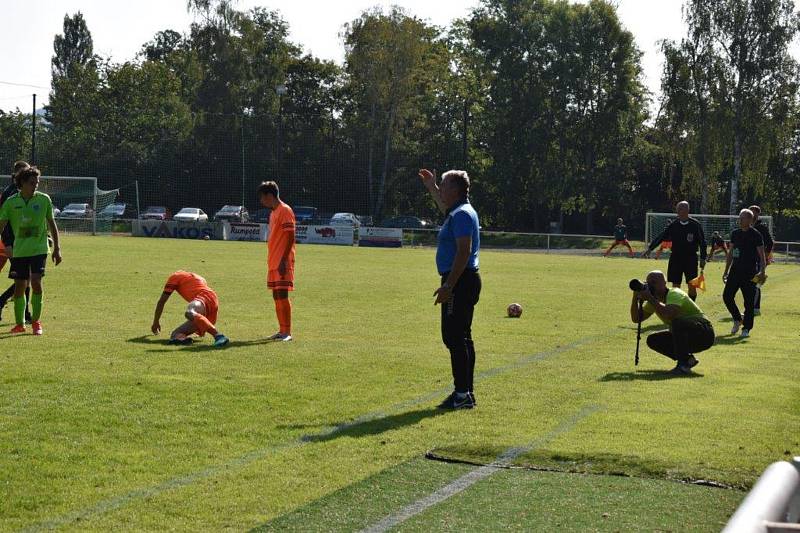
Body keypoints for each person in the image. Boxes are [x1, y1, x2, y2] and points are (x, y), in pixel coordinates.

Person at [420, 168, 481, 410]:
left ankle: (462, 393)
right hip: (463, 279)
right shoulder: (458, 211)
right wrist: (432, 187)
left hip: (460, 279)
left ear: (454, 190)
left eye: (444, 185)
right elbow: (444, 204)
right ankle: (465, 393)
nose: (441, 190)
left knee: (454, 337)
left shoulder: (462, 215)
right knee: (461, 337)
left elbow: (463, 251)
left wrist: (448, 285)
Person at [0, 166, 61, 334]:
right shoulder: (11, 202)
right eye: (32, 183)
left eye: (37, 182)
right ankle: (20, 324)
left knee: (36, 282)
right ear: (22, 183)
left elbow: (52, 224)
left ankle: (36, 322)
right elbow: (1, 225)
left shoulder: (44, 200)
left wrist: (57, 248)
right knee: (20, 286)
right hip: (19, 251)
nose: (35, 185)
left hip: (39, 249)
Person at [630, 270, 715, 374]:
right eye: (649, 283)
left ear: (664, 283)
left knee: (677, 322)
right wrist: (635, 297)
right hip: (689, 337)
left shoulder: (674, 293)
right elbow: (636, 318)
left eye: (654, 282)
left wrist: (650, 298)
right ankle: (687, 360)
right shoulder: (654, 300)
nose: (651, 285)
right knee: (653, 339)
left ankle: (682, 365)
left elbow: (669, 314)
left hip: (704, 334)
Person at [643, 202, 707, 301]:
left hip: (690, 259)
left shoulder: (695, 225)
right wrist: (650, 249)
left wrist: (703, 258)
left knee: (692, 285)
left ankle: (692, 307)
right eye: (677, 209)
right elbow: (661, 237)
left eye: (680, 209)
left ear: (686, 210)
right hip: (676, 258)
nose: (677, 211)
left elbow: (703, 242)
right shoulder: (674, 225)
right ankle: (676, 307)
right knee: (676, 285)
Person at [258, 181, 296, 342]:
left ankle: (287, 332)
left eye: (262, 197)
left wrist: (283, 260)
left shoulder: (285, 210)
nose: (261, 201)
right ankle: (281, 330)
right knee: (276, 296)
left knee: (282, 294)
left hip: (282, 261)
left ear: (269, 195)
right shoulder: (273, 213)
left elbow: (290, 237)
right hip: (273, 260)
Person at [151, 270, 229, 346]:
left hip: (203, 296)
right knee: (175, 334)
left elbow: (162, 301)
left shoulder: (175, 277)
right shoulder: (197, 277)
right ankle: (183, 340)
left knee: (189, 312)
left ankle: (218, 336)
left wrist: (155, 322)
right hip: (213, 301)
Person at [723, 209, 766, 338]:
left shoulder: (756, 235)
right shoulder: (735, 233)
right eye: (739, 218)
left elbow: (762, 255)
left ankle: (746, 328)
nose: (740, 220)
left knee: (748, 302)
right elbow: (730, 253)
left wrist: (762, 271)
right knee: (727, 296)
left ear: (750, 220)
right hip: (735, 271)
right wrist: (726, 271)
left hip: (750, 272)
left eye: (743, 218)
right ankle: (737, 319)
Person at [0, 161, 33, 323]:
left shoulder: (23, 193)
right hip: (13, 243)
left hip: (25, 242)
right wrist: (7, 243)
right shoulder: (10, 194)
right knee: (25, 278)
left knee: (26, 278)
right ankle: (22, 312)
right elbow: (3, 221)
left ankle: (24, 313)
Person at [748, 205, 773, 316]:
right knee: (748, 283)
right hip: (746, 260)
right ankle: (749, 306)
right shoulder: (745, 225)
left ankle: (755, 308)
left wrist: (766, 257)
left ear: (758, 214)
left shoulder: (762, 227)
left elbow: (770, 242)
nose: (753, 214)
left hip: (758, 260)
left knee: (756, 283)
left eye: (755, 213)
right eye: (751, 212)